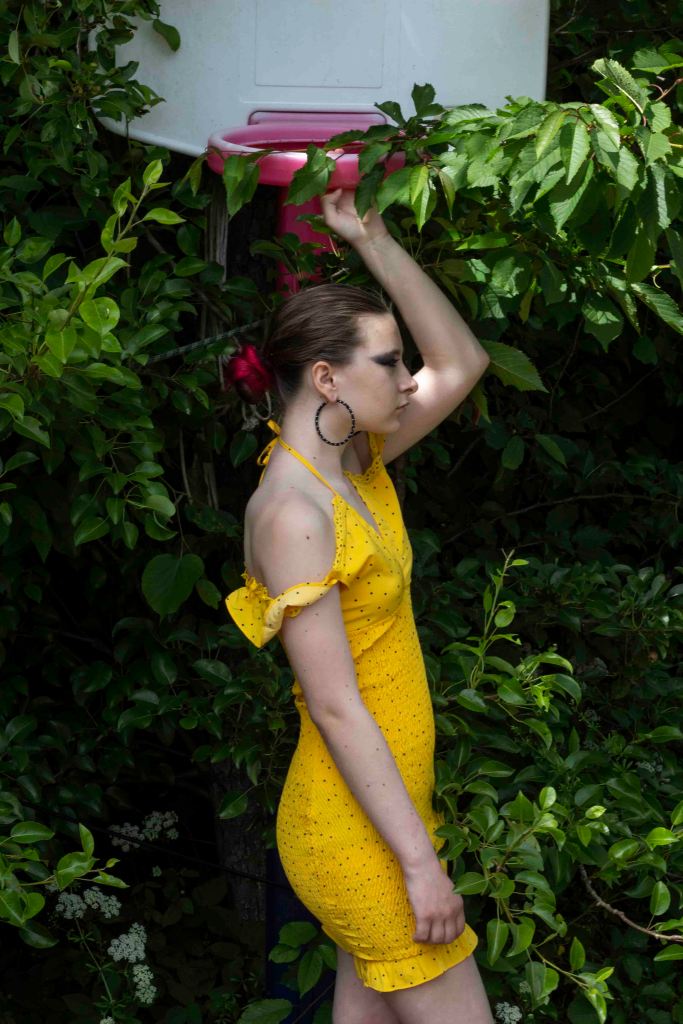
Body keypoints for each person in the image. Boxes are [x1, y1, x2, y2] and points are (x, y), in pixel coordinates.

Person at [226, 188, 493, 1024]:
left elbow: (461, 364)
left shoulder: (350, 467)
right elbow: (336, 706)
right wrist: (419, 866)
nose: (407, 380)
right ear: (326, 378)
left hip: (385, 818)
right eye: (387, 362)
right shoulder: (294, 514)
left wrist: (369, 236)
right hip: (357, 836)